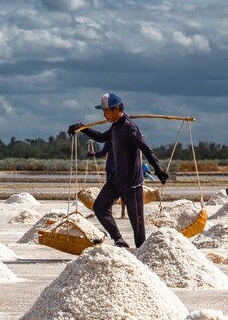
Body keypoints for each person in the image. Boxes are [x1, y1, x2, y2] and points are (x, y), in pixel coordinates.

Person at [69, 93, 169, 248]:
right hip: (116, 178)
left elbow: (146, 149)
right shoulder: (115, 126)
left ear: (116, 109)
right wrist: (82, 128)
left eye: (106, 111)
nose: (104, 114)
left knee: (136, 220)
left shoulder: (129, 127)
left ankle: (141, 250)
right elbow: (101, 137)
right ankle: (119, 240)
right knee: (100, 207)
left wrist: (158, 169)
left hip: (131, 182)